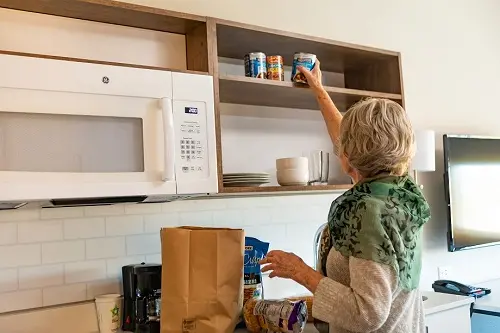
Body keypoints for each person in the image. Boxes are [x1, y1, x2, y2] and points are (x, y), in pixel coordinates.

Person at [260, 60, 431, 333]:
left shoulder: (366, 213)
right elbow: (354, 140)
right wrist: (318, 88)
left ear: (348, 157)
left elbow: (367, 314)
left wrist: (300, 271)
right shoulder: (398, 191)